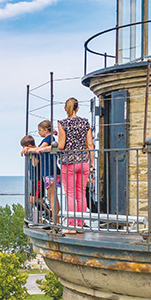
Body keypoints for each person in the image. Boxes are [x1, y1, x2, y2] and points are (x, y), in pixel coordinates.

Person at [58, 98, 94, 234]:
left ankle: (72, 226)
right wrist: (92, 164)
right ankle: (80, 224)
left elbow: (61, 145)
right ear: (77, 108)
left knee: (71, 194)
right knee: (81, 193)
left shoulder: (63, 123)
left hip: (69, 162)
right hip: (84, 161)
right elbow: (90, 145)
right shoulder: (85, 122)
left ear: (65, 108)